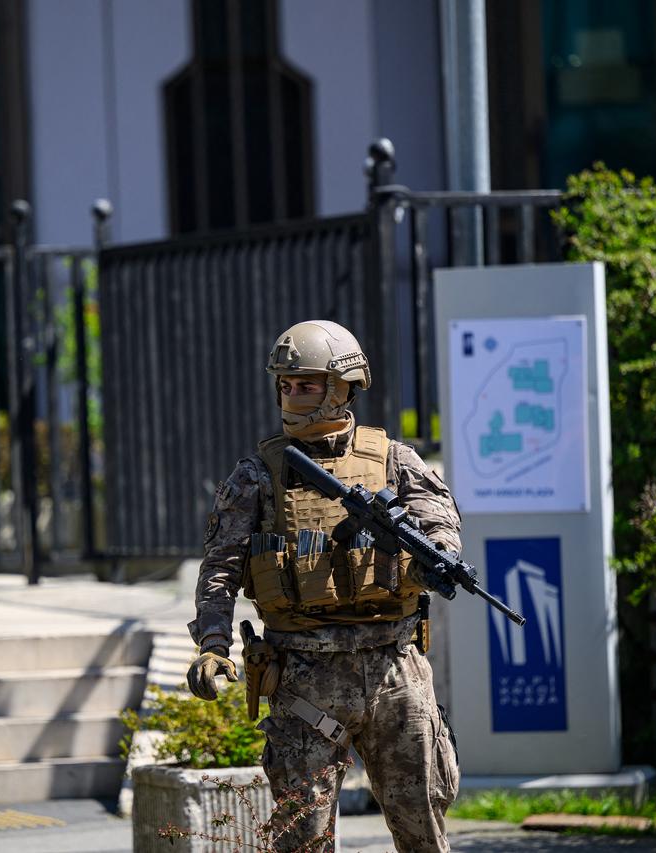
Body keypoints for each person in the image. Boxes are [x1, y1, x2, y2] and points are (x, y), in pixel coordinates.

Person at [187, 320, 461, 852]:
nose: (292, 395)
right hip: (303, 676)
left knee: (422, 828)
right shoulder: (257, 476)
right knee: (303, 839)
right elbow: (219, 568)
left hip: (394, 668)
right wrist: (212, 646)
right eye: (285, 385)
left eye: (305, 384)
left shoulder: (394, 461)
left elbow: (439, 523)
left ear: (343, 386)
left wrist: (438, 558)